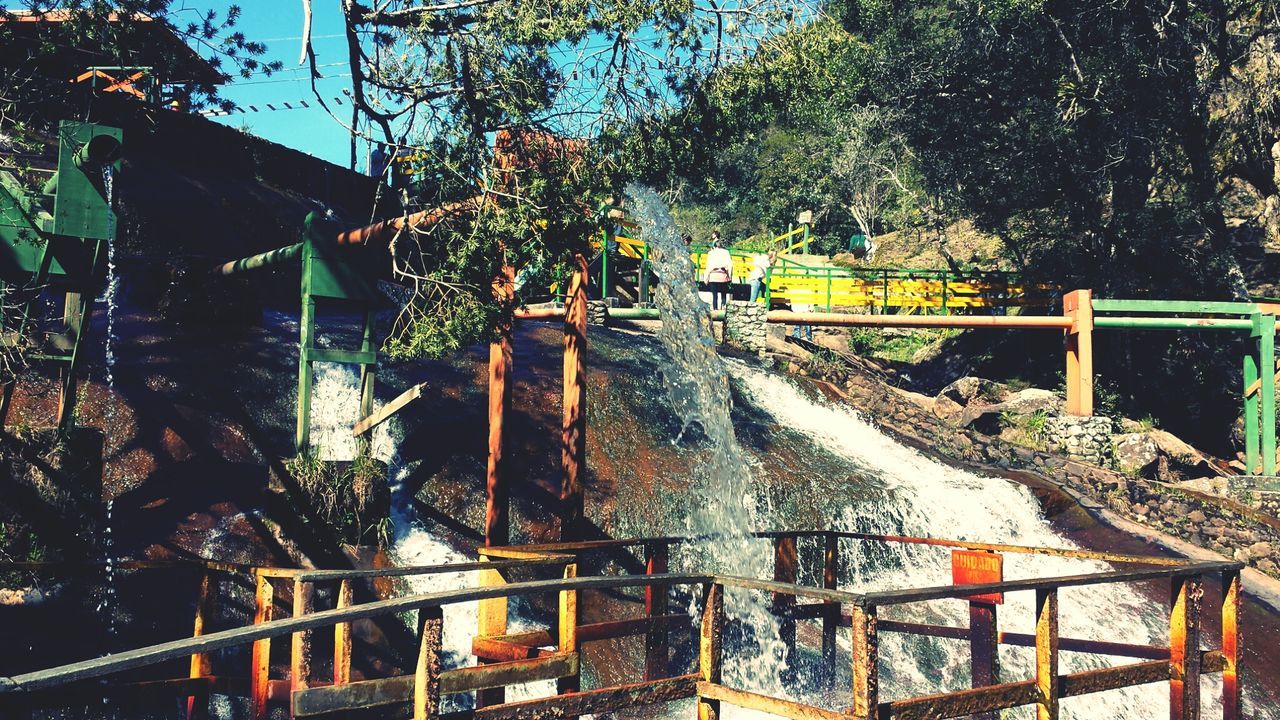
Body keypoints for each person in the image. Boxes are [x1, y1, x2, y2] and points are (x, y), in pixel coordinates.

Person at [704, 237, 733, 310]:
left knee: (715, 295)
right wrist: (730, 276)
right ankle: (723, 308)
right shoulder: (726, 252)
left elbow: (708, 266)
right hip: (723, 275)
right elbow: (730, 265)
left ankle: (715, 310)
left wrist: (706, 278)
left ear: (714, 245)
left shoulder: (711, 253)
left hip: (713, 275)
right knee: (723, 294)